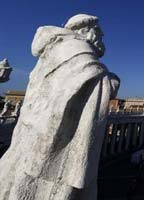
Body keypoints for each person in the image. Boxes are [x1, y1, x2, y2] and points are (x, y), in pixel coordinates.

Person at [0, 14, 120, 200]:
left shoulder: (54, 51)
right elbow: (100, 82)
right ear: (85, 31)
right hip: (56, 140)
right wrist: (113, 81)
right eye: (98, 31)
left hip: (35, 131)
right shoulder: (78, 51)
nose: (101, 35)